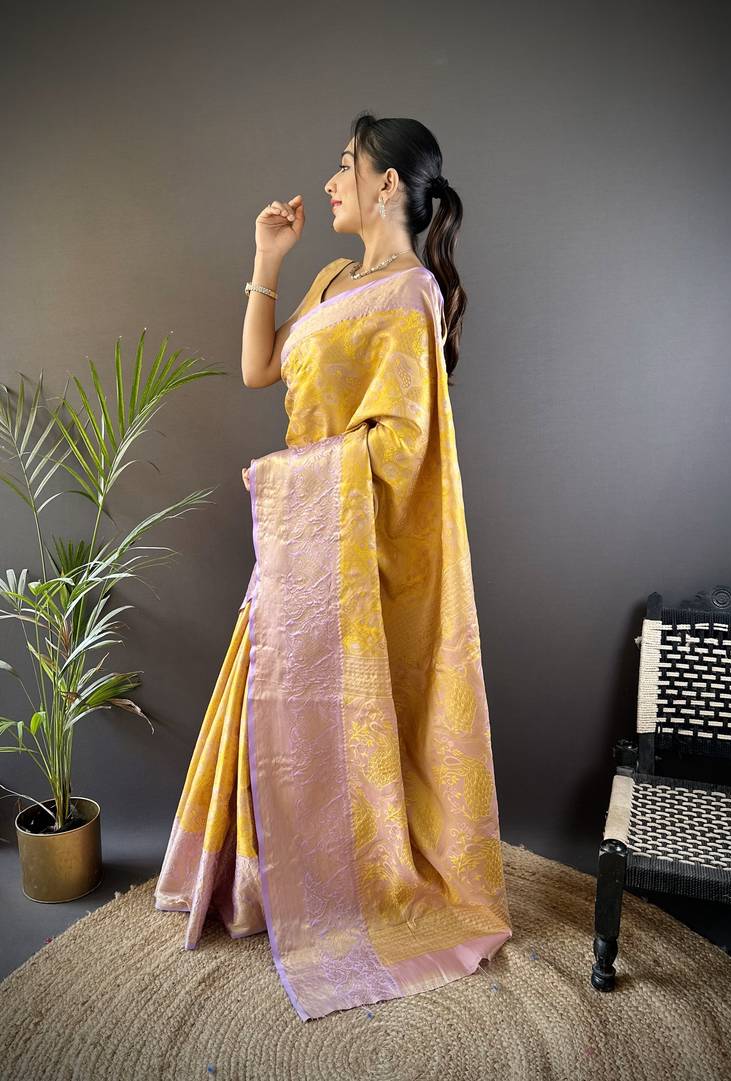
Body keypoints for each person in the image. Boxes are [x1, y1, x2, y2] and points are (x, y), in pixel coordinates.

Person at [154, 113, 512, 1022]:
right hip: (299, 535)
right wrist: (268, 260)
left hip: (348, 546)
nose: (328, 181)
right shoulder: (329, 279)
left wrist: (299, 477)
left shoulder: (412, 295)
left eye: (344, 165)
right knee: (270, 703)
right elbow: (259, 369)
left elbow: (402, 445)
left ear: (387, 183)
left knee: (327, 716)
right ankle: (261, 884)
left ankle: (346, 886)